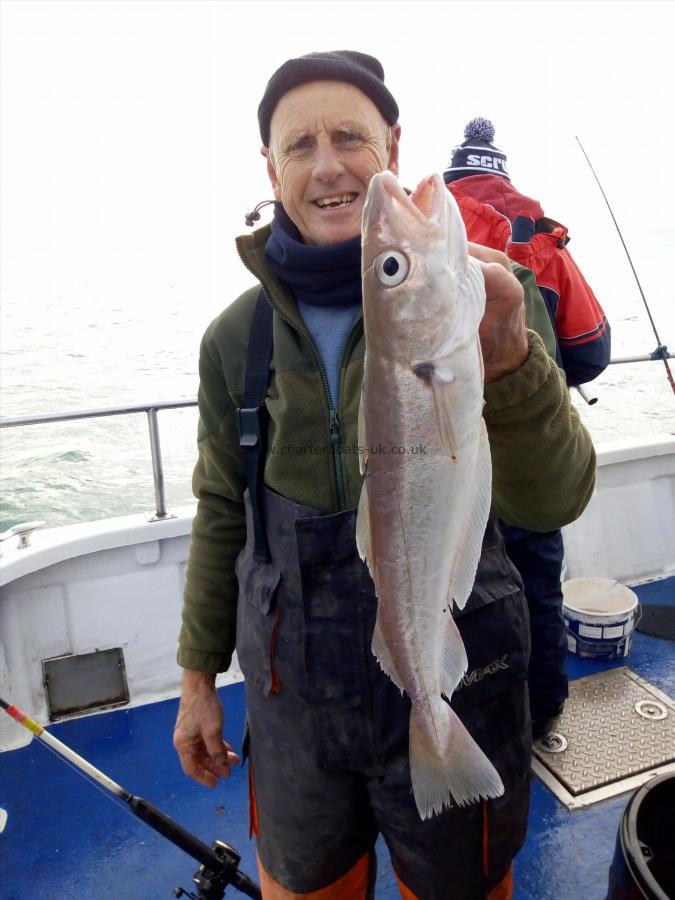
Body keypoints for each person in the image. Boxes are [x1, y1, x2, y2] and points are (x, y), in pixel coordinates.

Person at [174, 52, 596, 899]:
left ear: (392, 147)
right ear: (271, 169)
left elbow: (553, 498)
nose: (328, 167)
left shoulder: (497, 301)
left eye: (349, 138)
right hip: (293, 706)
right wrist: (195, 681)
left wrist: (509, 361)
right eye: (299, 146)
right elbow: (222, 509)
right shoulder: (235, 338)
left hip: (460, 670)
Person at [443, 118, 611, 738]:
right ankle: (540, 710)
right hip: (528, 444)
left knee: (449, 583)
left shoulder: (420, 232)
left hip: (446, 452)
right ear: (503, 175)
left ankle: (465, 714)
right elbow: (591, 351)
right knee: (535, 576)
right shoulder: (541, 237)